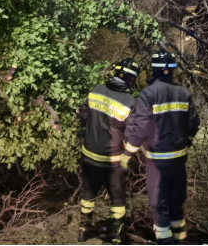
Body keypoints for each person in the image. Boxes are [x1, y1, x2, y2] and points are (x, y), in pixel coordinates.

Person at [122, 52, 199, 245]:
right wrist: (186, 141)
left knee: (159, 202)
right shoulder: (184, 93)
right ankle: (180, 240)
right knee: (176, 201)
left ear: (153, 69)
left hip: (158, 160)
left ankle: (165, 241)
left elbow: (141, 128)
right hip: (179, 159)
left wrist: (127, 154)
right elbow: (193, 123)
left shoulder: (149, 94)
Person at [77, 58, 141, 244]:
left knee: (88, 194)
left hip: (89, 156)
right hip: (113, 161)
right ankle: (116, 236)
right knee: (117, 197)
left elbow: (83, 116)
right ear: (132, 79)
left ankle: (83, 230)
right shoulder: (130, 101)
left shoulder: (95, 91)